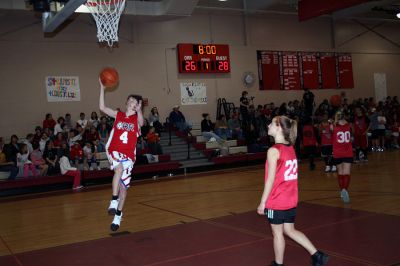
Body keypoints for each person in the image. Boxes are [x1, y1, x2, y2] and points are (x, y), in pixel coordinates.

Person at [257, 115, 328, 266]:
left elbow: (270, 180)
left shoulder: (273, 150)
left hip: (277, 200)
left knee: (277, 234)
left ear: (279, 128)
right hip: (291, 199)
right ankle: (317, 255)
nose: (268, 125)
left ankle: (278, 264)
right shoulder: (290, 148)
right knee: (289, 230)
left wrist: (263, 202)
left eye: (271, 123)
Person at [99, 79, 143, 231]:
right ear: (126, 103)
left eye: (135, 101)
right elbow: (102, 107)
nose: (132, 102)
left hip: (129, 156)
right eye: (130, 100)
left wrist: (139, 111)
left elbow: (142, 124)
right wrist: (102, 88)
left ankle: (118, 216)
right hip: (114, 150)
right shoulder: (118, 115)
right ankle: (113, 200)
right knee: (117, 170)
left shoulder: (137, 119)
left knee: (124, 190)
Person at [332, 111, 353, 203]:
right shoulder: (349, 125)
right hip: (347, 151)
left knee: (340, 172)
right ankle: (345, 189)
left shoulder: (333, 126)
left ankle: (342, 191)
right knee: (346, 173)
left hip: (337, 152)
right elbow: (352, 136)